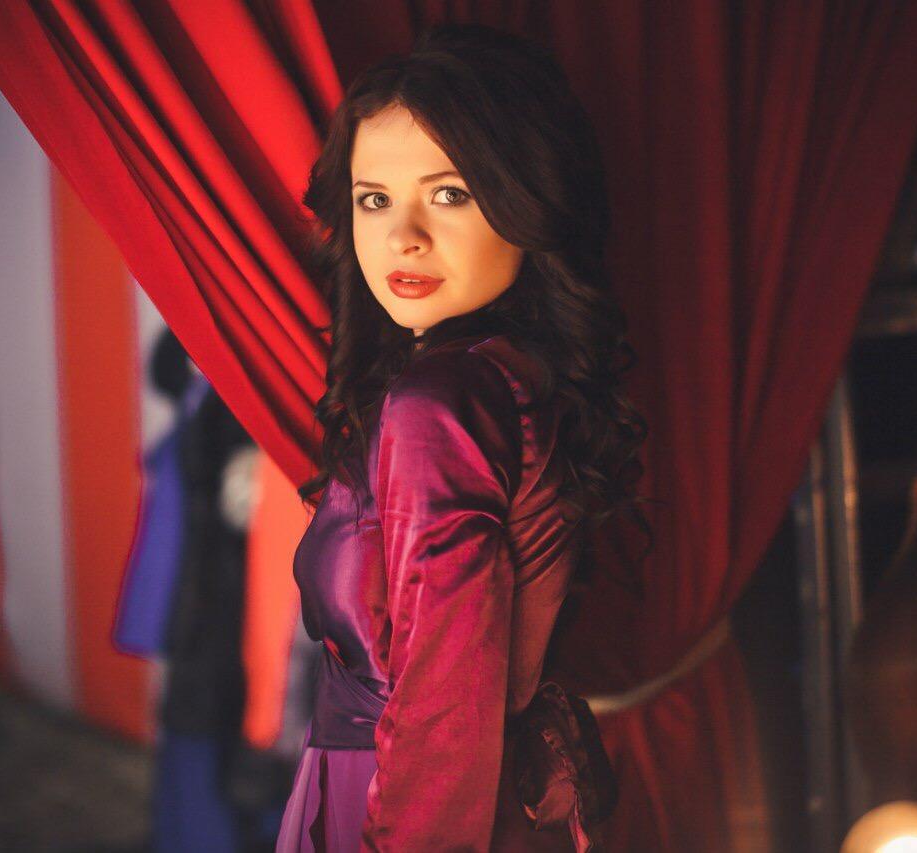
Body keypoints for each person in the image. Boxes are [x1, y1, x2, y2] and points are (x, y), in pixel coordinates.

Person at [275, 23, 650, 853]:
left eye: (450, 194)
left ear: (523, 204)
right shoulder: (507, 373)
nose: (403, 234)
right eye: (374, 198)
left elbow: (446, 700)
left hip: (405, 802)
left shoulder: (438, 403)